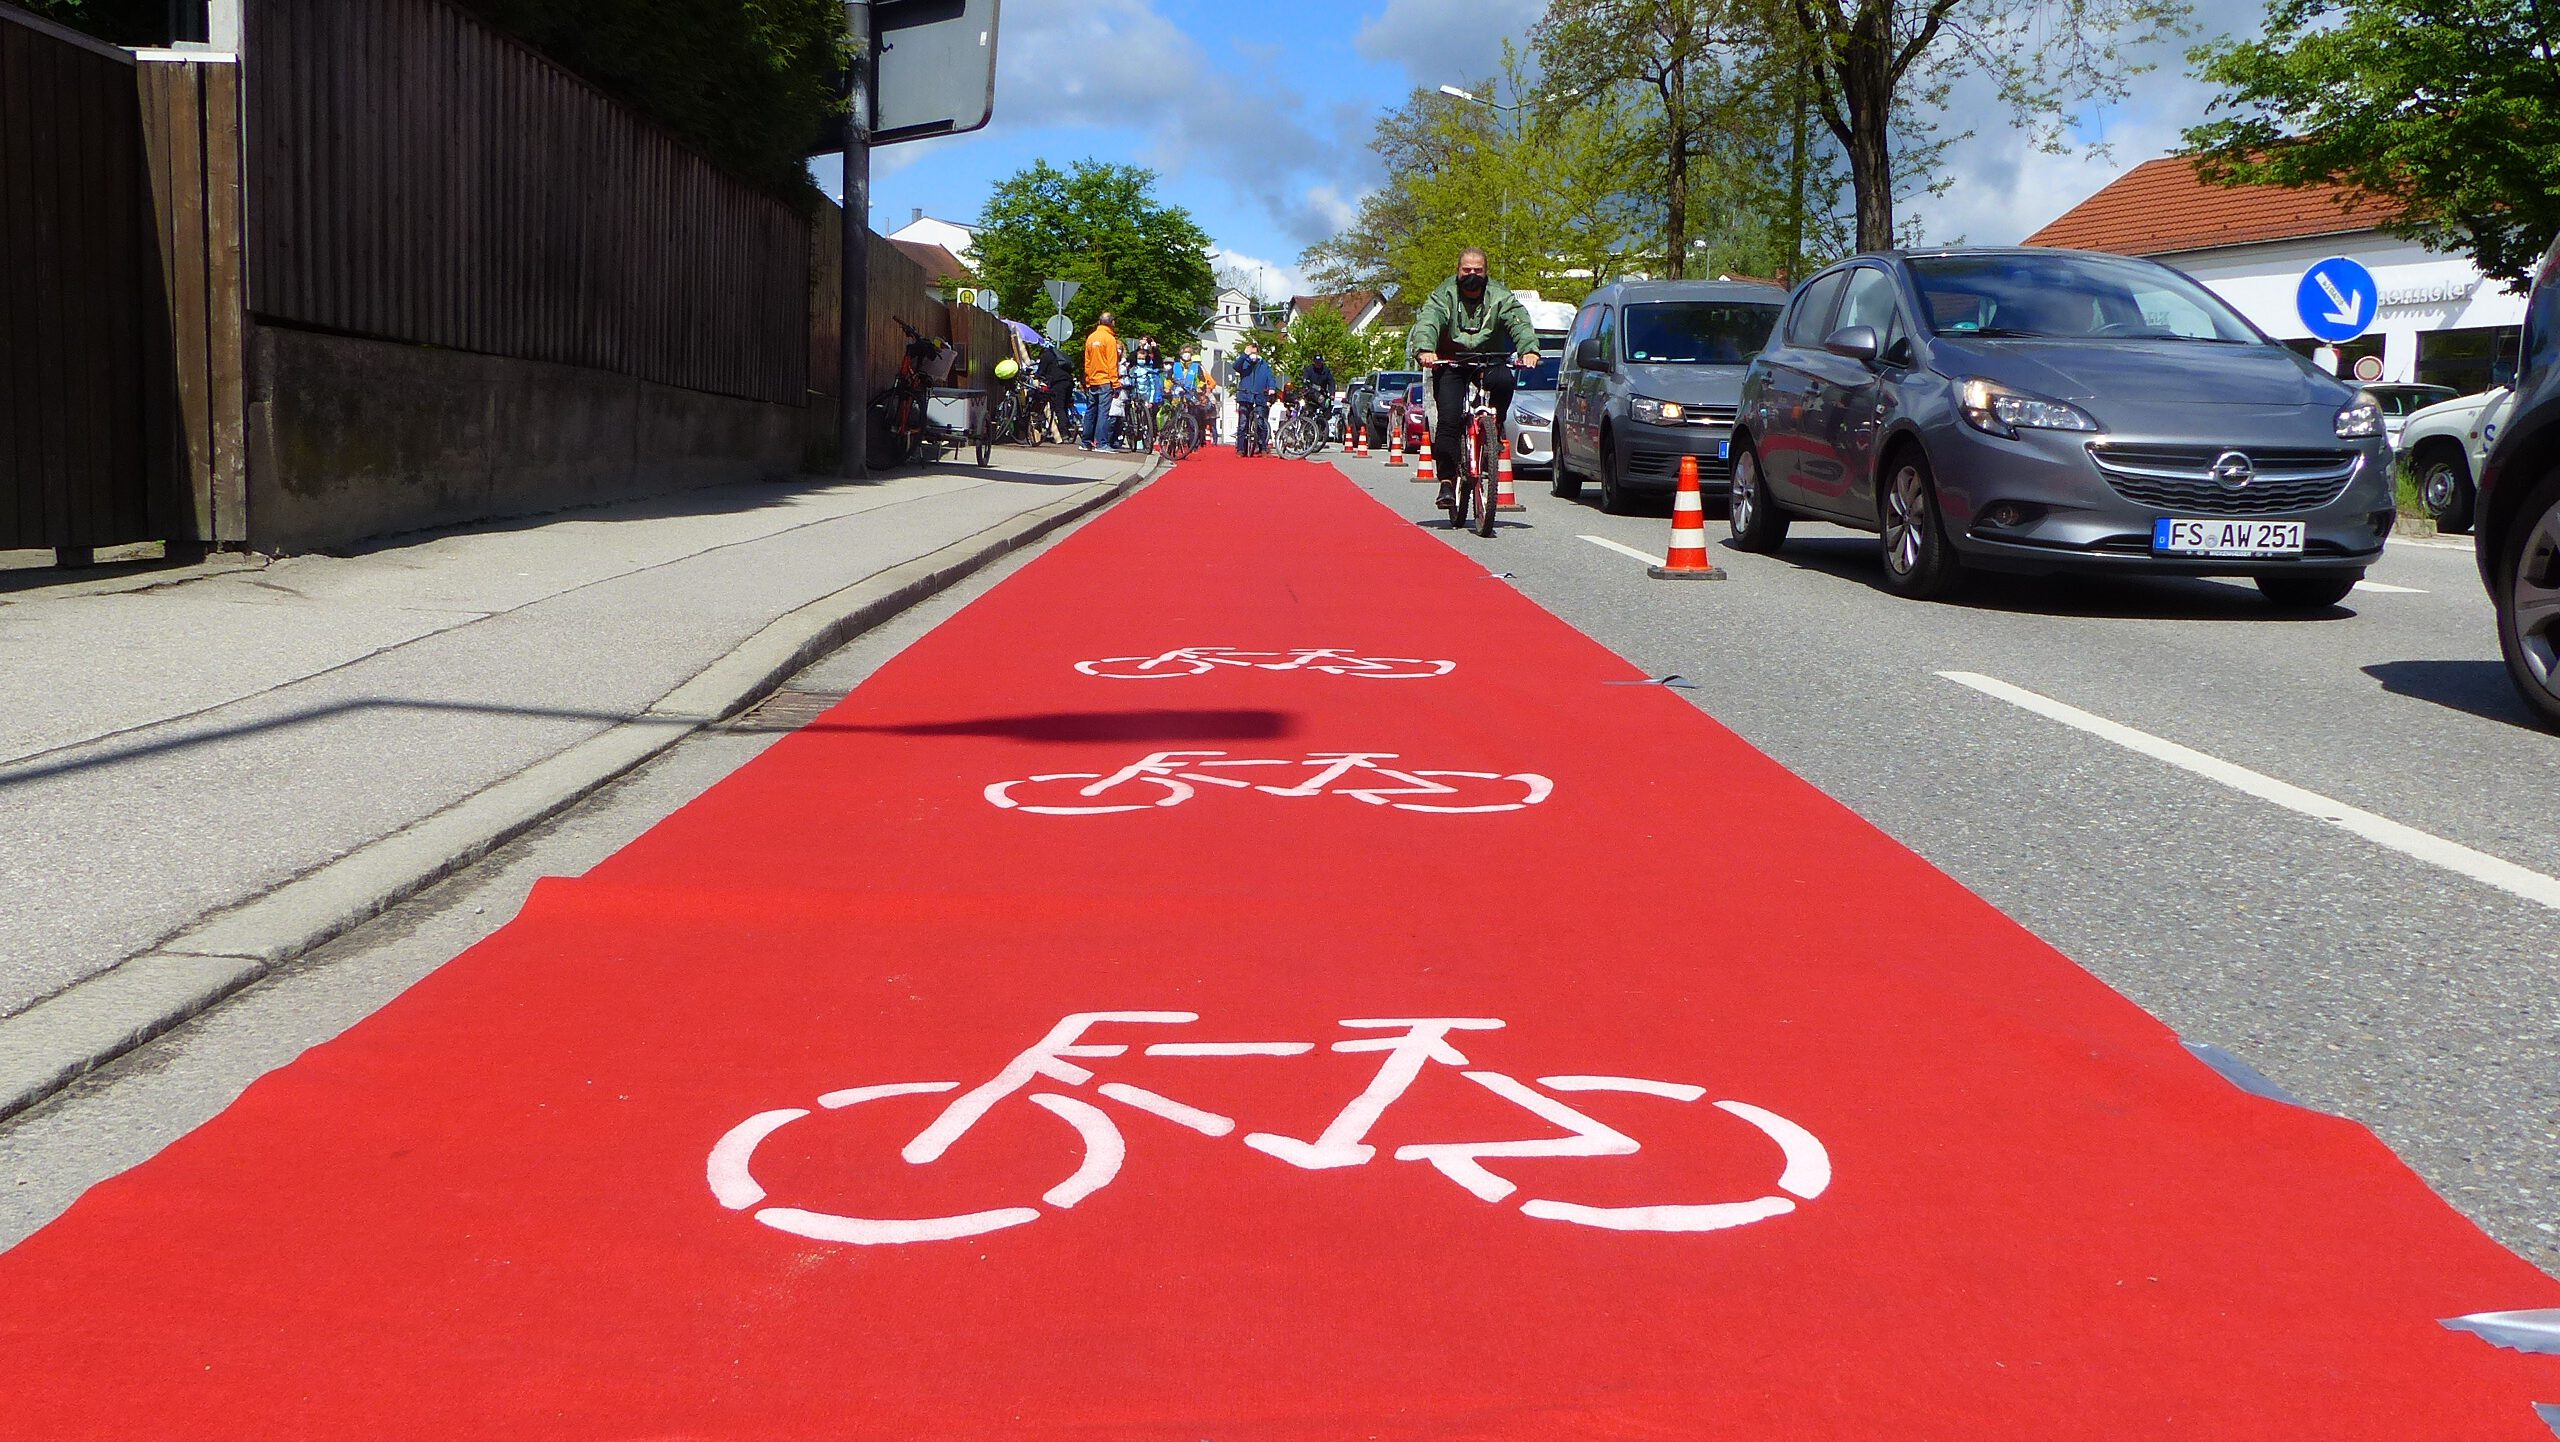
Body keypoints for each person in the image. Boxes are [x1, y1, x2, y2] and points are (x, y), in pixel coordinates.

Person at [1409, 248, 1540, 508]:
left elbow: (1518, 321)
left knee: (1504, 380)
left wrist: (1529, 350)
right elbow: (1429, 321)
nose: (1472, 275)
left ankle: (1495, 426)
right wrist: (1425, 349)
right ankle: (1447, 482)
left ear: (1486, 272)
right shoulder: (1443, 295)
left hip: (1490, 357)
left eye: (1477, 270)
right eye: (1466, 270)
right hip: (1451, 361)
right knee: (1448, 419)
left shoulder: (1501, 296)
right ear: (1458, 271)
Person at [1081, 311, 1123, 451]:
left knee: (1090, 411)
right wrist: (1116, 384)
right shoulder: (1110, 339)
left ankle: (1086, 442)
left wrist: (1087, 379)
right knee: (1103, 413)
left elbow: (1087, 362)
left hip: (1093, 380)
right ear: (1112, 323)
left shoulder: (1091, 338)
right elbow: (1112, 363)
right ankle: (1102, 443)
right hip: (1105, 380)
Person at [1230, 341, 1280, 456]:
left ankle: (1263, 447)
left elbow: (1270, 377)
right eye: (1251, 352)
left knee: (1261, 423)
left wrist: (1271, 388)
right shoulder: (1244, 362)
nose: (1253, 355)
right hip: (1245, 395)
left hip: (1259, 396)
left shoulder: (1264, 365)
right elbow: (1235, 366)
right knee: (1243, 423)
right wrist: (1244, 354)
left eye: (1255, 352)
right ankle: (1241, 449)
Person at [1299, 353, 1338, 440]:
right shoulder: (1309, 370)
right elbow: (1305, 380)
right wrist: (1308, 384)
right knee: (1307, 409)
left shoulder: (1326, 371)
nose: (1318, 364)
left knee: (1327, 406)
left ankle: (1321, 426)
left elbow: (1331, 382)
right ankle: (1304, 425)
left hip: (1322, 394)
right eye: (1316, 363)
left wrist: (1332, 394)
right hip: (1311, 393)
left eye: (1319, 363)